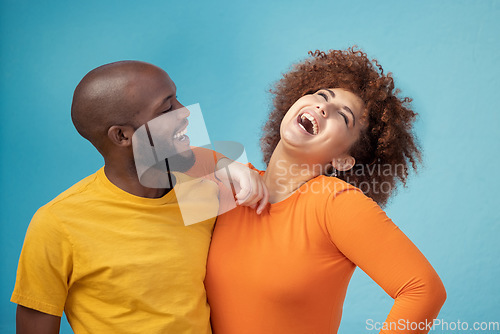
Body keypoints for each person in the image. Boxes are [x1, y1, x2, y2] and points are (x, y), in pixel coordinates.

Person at [11, 60, 267, 334]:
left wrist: (229, 165)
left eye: (177, 98)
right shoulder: (58, 223)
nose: (184, 112)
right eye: (167, 107)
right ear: (122, 135)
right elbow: (35, 324)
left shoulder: (202, 193)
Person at [205, 48, 447, 334]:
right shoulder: (230, 182)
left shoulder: (334, 202)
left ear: (343, 159)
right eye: (322, 96)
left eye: (343, 117)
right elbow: (146, 151)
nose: (323, 108)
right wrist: (219, 163)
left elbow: (424, 289)